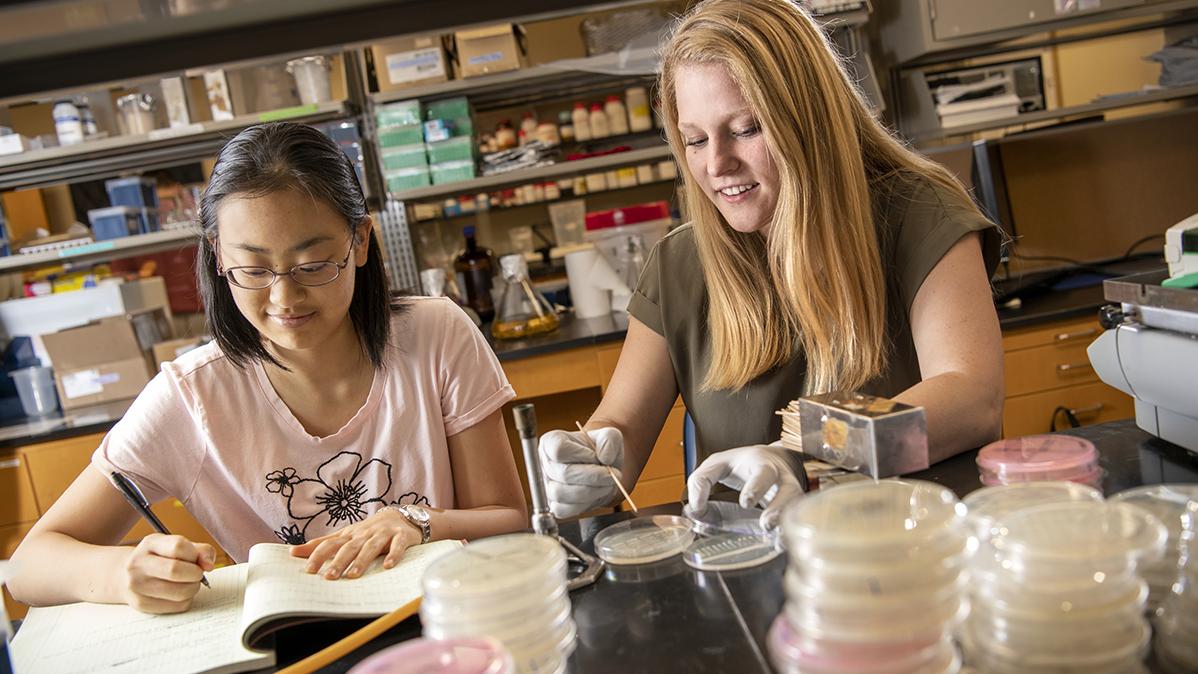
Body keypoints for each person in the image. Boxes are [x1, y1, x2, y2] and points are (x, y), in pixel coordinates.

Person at [8, 123, 526, 614]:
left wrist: (417, 521)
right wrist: (125, 573)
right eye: (253, 269)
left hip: (451, 622)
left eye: (313, 265)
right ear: (217, 255)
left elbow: (509, 521)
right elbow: (28, 568)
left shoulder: (435, 335)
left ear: (361, 241)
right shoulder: (193, 397)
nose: (284, 297)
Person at [540, 0, 1004, 526]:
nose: (716, 164)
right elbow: (619, 425)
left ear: (808, 118)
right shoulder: (680, 263)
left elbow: (971, 402)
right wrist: (585, 468)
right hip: (753, 573)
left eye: (745, 129)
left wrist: (805, 462)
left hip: (912, 548)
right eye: (694, 140)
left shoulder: (920, 214)